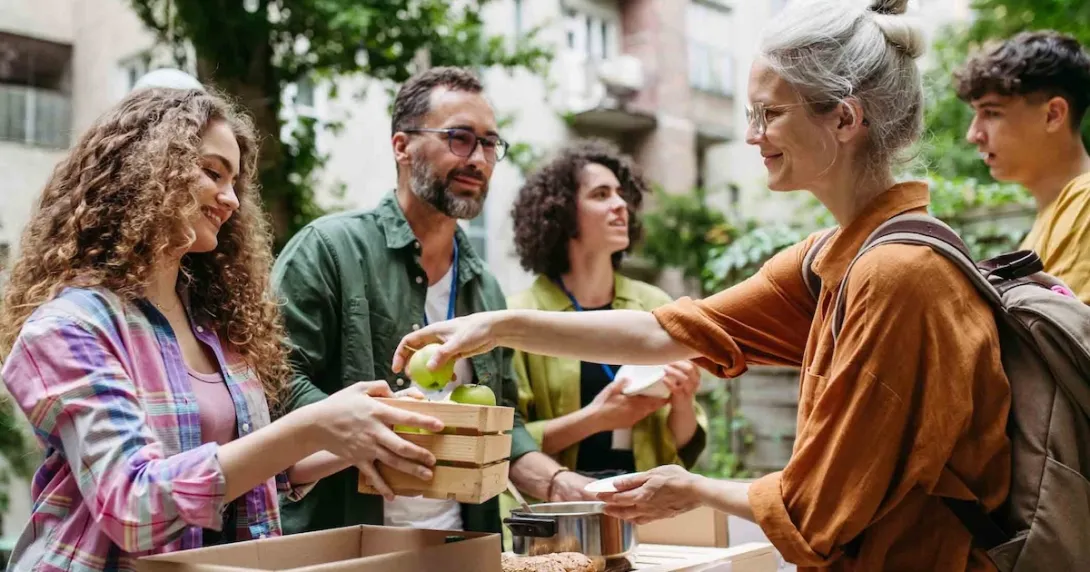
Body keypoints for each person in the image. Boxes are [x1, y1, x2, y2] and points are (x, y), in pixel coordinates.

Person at [393, 1, 1012, 570]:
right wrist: (495, 326)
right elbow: (669, 331)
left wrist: (689, 489)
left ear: (844, 118)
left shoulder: (897, 275)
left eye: (769, 114)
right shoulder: (835, 257)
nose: (752, 135)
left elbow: (818, 507)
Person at [0, 87, 443, 572]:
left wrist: (358, 433)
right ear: (146, 171)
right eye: (212, 173)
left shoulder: (215, 323)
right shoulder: (70, 328)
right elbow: (134, 505)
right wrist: (313, 424)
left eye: (235, 182)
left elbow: (244, 478)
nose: (231, 199)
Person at [271, 66, 592, 538]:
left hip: (458, 543)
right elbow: (276, 380)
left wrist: (562, 484)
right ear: (402, 146)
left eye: (489, 144)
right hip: (346, 541)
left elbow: (504, 423)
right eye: (459, 138)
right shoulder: (328, 249)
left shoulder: (485, 288)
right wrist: (367, 432)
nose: (479, 159)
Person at [505, 139, 707, 488]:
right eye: (601, 195)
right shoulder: (521, 316)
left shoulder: (655, 305)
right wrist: (595, 419)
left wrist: (684, 401)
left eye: (620, 194)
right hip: (558, 513)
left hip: (646, 507)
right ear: (562, 212)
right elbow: (509, 440)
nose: (620, 205)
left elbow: (685, 444)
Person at [957, 30, 1090, 303]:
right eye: (976, 113)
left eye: (992, 113)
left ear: (1053, 115)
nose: (974, 134)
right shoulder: (1051, 218)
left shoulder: (1086, 203)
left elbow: (1064, 341)